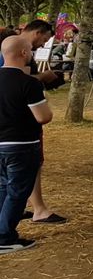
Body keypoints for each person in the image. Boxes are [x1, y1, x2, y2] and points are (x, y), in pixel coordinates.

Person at [0, 35, 53, 253]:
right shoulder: (29, 83)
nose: (31, 53)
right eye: (30, 50)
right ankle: (4, 236)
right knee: (18, 191)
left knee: (3, 187)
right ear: (23, 53)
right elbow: (43, 117)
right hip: (22, 144)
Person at [16, 20, 65, 225]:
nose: (43, 44)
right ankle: (38, 209)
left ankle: (16, 205)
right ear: (37, 32)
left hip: (18, 115)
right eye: (44, 39)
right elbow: (15, 80)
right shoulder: (17, 50)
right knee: (31, 161)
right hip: (22, 117)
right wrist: (43, 76)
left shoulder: (15, 48)